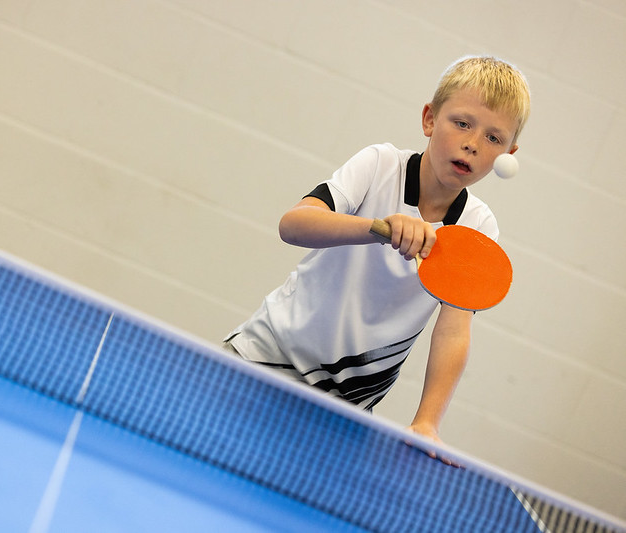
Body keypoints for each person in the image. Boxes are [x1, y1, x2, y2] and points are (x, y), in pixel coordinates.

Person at [224, 56, 530, 447]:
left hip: (344, 411)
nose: (472, 144)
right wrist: (378, 229)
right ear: (430, 120)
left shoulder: (478, 227)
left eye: (493, 138)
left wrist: (427, 423)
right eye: (463, 123)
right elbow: (294, 224)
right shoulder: (380, 165)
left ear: (508, 153)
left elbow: (453, 331)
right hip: (259, 360)